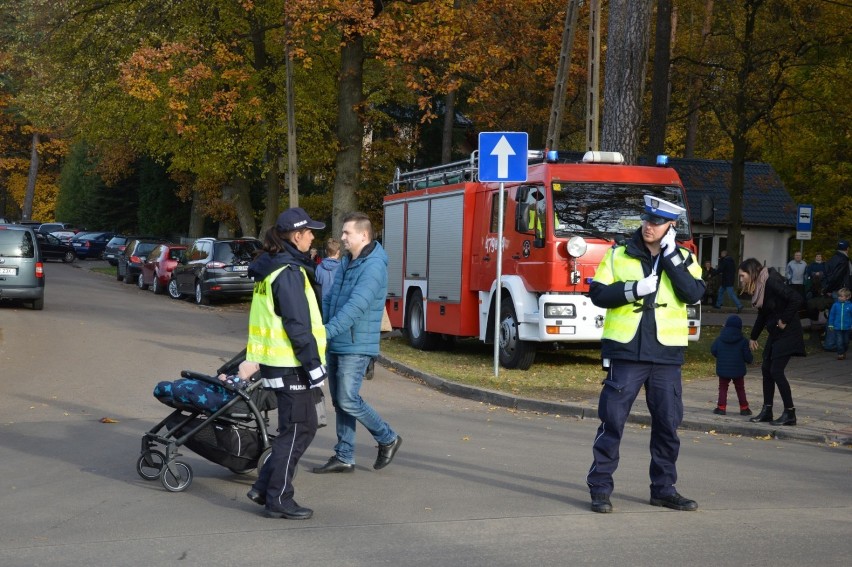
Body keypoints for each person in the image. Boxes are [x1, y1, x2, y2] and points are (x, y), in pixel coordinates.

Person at [586, 195, 705, 514]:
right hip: (626, 353)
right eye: (647, 220)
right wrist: (632, 290)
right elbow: (597, 293)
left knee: (668, 424)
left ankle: (664, 489)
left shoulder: (684, 257)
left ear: (671, 227)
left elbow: (693, 293)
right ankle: (600, 488)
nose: (648, 226)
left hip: (666, 356)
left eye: (656, 222)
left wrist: (670, 258)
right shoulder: (619, 254)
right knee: (612, 422)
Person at [244, 207, 328, 520]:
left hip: (278, 363)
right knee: (298, 430)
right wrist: (314, 367)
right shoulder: (288, 272)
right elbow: (297, 325)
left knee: (295, 429)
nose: (312, 237)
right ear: (296, 235)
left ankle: (264, 487)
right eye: (309, 232)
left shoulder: (273, 267)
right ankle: (278, 498)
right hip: (292, 364)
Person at [313, 211, 402, 474]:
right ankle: (344, 455)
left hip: (356, 344)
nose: (342, 238)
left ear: (364, 235)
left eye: (346, 233)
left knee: (348, 399)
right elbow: (330, 297)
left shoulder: (374, 266)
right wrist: (323, 329)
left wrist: (323, 333)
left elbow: (355, 308)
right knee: (340, 401)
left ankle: (387, 438)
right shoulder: (347, 261)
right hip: (337, 341)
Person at [738, 258, 805, 427]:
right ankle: (767, 411)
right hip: (775, 332)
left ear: (752, 272)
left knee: (776, 371)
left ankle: (790, 413)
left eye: (742, 275)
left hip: (788, 332)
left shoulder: (771, 282)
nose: (741, 279)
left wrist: (784, 319)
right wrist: (753, 337)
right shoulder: (761, 287)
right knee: (766, 369)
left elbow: (796, 298)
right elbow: (763, 314)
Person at [710, 315, 753, 416]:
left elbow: (713, 350)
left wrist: (720, 356)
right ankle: (744, 408)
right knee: (740, 388)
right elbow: (747, 356)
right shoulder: (743, 341)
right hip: (738, 370)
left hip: (723, 369)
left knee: (723, 387)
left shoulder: (720, 339)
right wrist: (750, 360)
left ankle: (721, 407)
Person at [827, 288, 852, 361]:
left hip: (847, 327)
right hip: (837, 327)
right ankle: (840, 354)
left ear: (847, 297)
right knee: (839, 341)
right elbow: (832, 315)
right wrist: (830, 324)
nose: (839, 297)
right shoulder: (835, 305)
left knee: (846, 342)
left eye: (841, 296)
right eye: (839, 296)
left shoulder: (850, 306)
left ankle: (843, 351)